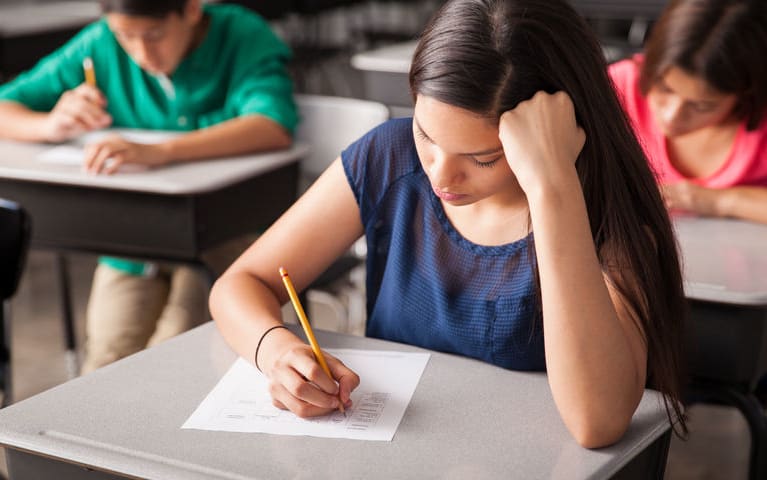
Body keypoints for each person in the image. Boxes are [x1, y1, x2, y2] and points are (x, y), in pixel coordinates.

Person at [209, 0, 687, 448]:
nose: (440, 174)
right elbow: (241, 283)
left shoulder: (602, 212)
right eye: (426, 133)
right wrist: (276, 353)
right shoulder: (389, 157)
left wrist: (552, 187)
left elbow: (596, 421)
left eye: (482, 158)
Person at [0, 0, 297, 373]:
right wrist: (50, 125)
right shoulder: (100, 43)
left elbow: (271, 125)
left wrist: (162, 151)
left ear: (190, 9)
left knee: (175, 358)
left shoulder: (241, 35)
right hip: (135, 241)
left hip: (225, 236)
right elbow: (5, 106)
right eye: (126, 37)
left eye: (154, 35)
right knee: (105, 361)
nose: (141, 53)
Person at [609, 0, 767, 224]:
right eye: (664, 89)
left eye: (702, 105)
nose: (671, 116)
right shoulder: (617, 88)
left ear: (745, 94)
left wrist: (713, 201)